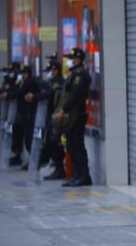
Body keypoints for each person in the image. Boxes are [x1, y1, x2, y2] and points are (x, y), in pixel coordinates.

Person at [52, 47, 92, 187]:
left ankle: (84, 176)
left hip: (77, 115)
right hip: (71, 115)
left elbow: (75, 96)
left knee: (77, 145)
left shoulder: (80, 75)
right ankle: (78, 175)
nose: (70, 61)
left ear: (79, 59)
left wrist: (63, 110)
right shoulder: (73, 74)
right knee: (71, 145)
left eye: (73, 58)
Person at [32, 59, 66, 180]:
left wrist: (34, 96)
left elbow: (48, 94)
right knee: (50, 143)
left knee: (53, 144)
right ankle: (57, 168)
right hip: (51, 117)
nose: (49, 73)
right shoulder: (52, 82)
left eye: (51, 70)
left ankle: (59, 169)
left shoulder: (58, 83)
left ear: (56, 71)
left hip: (56, 118)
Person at [0, 62, 22, 165]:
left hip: (18, 110)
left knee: (17, 134)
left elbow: (17, 91)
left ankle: (17, 154)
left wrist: (7, 95)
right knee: (11, 132)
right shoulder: (7, 80)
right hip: (9, 111)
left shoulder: (18, 80)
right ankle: (12, 153)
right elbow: (3, 90)